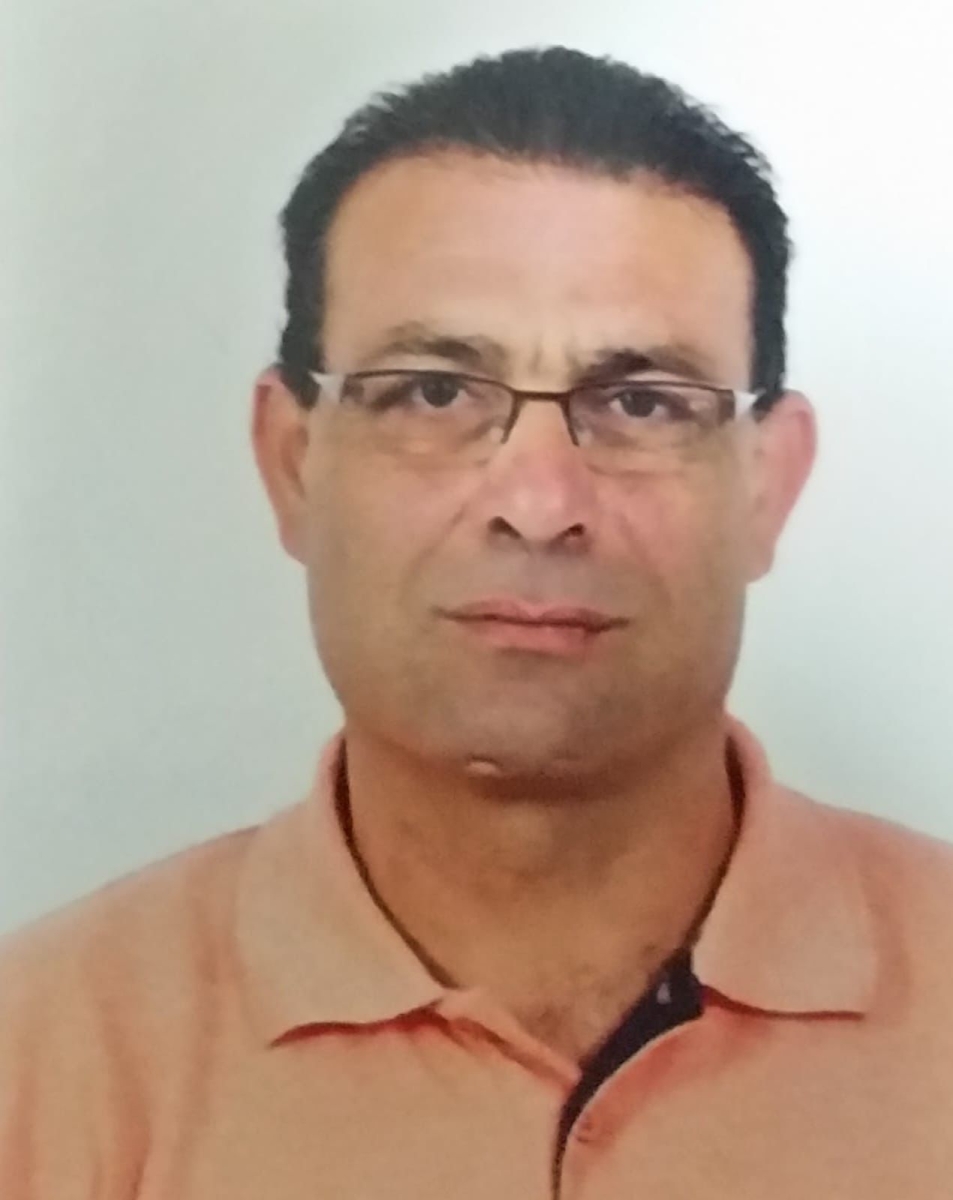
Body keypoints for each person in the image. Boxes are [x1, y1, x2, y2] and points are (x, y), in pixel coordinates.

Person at [2, 45, 952, 1200]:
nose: (538, 504)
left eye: (640, 401)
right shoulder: (38, 1058)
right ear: (293, 464)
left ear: (767, 483)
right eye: (435, 392)